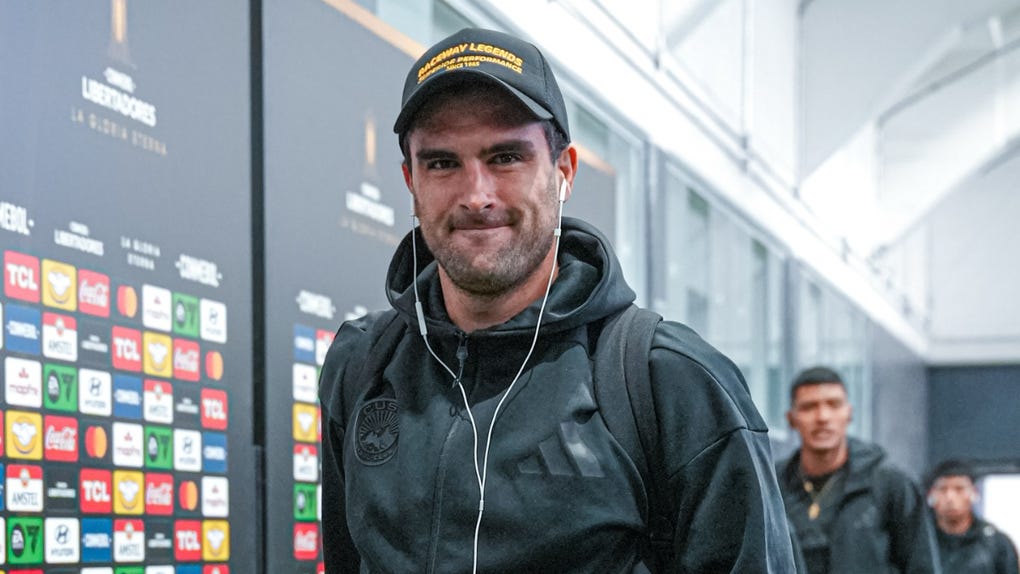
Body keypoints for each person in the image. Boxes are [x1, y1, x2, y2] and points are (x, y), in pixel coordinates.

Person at [318, 27, 796, 573]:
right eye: (443, 163)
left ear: (563, 171)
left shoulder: (672, 383)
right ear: (411, 181)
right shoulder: (362, 365)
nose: (476, 195)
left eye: (505, 157)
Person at [776, 366, 942, 573]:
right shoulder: (772, 487)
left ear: (849, 413)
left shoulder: (891, 484)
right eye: (809, 407)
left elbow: (922, 567)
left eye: (834, 405)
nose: (822, 417)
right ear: (791, 419)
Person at [926, 459, 1019, 574]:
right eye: (943, 489)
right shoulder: (919, 541)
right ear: (931, 494)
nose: (950, 497)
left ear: (974, 493)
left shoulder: (995, 543)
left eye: (959, 489)